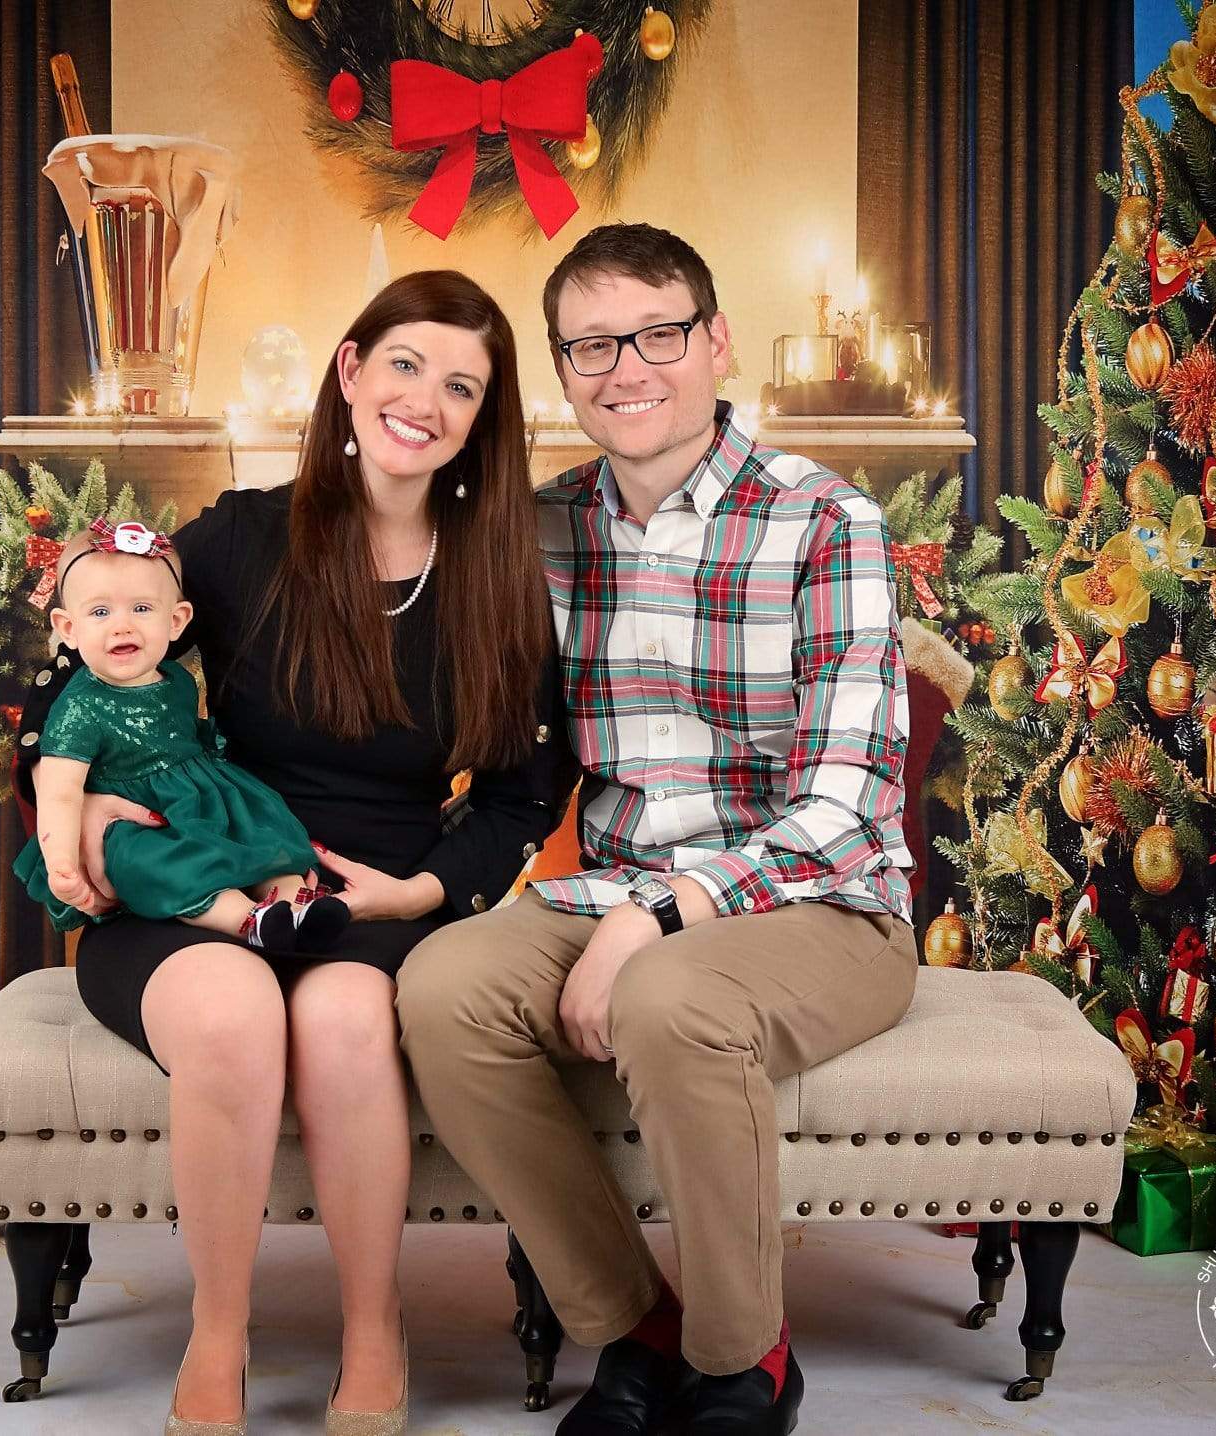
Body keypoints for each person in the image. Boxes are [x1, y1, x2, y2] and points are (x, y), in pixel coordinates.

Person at [14, 270, 574, 1436]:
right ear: (351, 370)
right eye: (406, 363)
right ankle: (220, 1329)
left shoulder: (496, 573)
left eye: (462, 385)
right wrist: (85, 820)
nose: (425, 399)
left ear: (482, 419)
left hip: (377, 902)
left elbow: (528, 789)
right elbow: (88, 660)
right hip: (195, 879)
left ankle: (374, 1325)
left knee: (342, 1021)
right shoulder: (241, 538)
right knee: (227, 1014)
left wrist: (423, 887)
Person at [397, 223, 918, 1436]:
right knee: (441, 988)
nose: (625, 368)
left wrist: (659, 915)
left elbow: (844, 804)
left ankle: (744, 1364)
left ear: (716, 340)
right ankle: (631, 1326)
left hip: (820, 905)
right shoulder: (538, 527)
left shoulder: (822, 520)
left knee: (672, 998)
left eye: (656, 334)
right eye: (589, 345)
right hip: (614, 888)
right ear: (563, 370)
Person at [11, 518, 347, 950]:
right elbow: (59, 793)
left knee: (260, 831)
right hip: (136, 822)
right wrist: (61, 861)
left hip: (197, 794)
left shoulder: (176, 679)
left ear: (177, 621)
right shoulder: (79, 706)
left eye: (142, 608)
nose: (122, 625)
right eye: (100, 612)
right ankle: (249, 921)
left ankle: (296, 904)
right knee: (159, 864)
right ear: (68, 628)